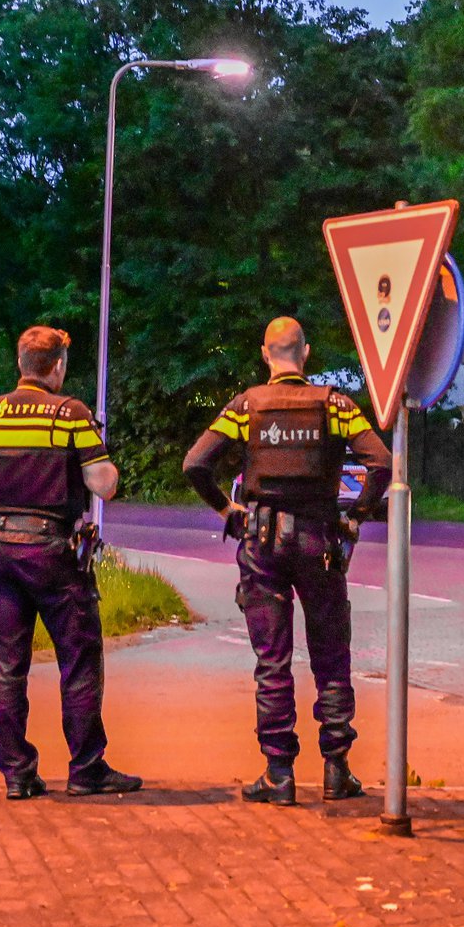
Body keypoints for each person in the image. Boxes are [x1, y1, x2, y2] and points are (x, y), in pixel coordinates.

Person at [183, 317, 392, 807]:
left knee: (272, 661)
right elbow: (381, 462)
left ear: (265, 354)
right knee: (331, 656)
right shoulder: (335, 406)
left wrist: (226, 510)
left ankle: (279, 774)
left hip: (262, 545)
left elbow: (195, 463)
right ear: (307, 353)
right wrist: (356, 515)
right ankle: (337, 770)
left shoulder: (247, 406)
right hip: (320, 542)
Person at [0, 326, 142, 800]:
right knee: (77, 662)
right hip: (54, 555)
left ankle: (17, 773)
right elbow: (104, 485)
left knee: (5, 667)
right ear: (57, 367)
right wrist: (100, 451)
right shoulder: (69, 413)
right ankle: (86, 770)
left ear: (20, 364)